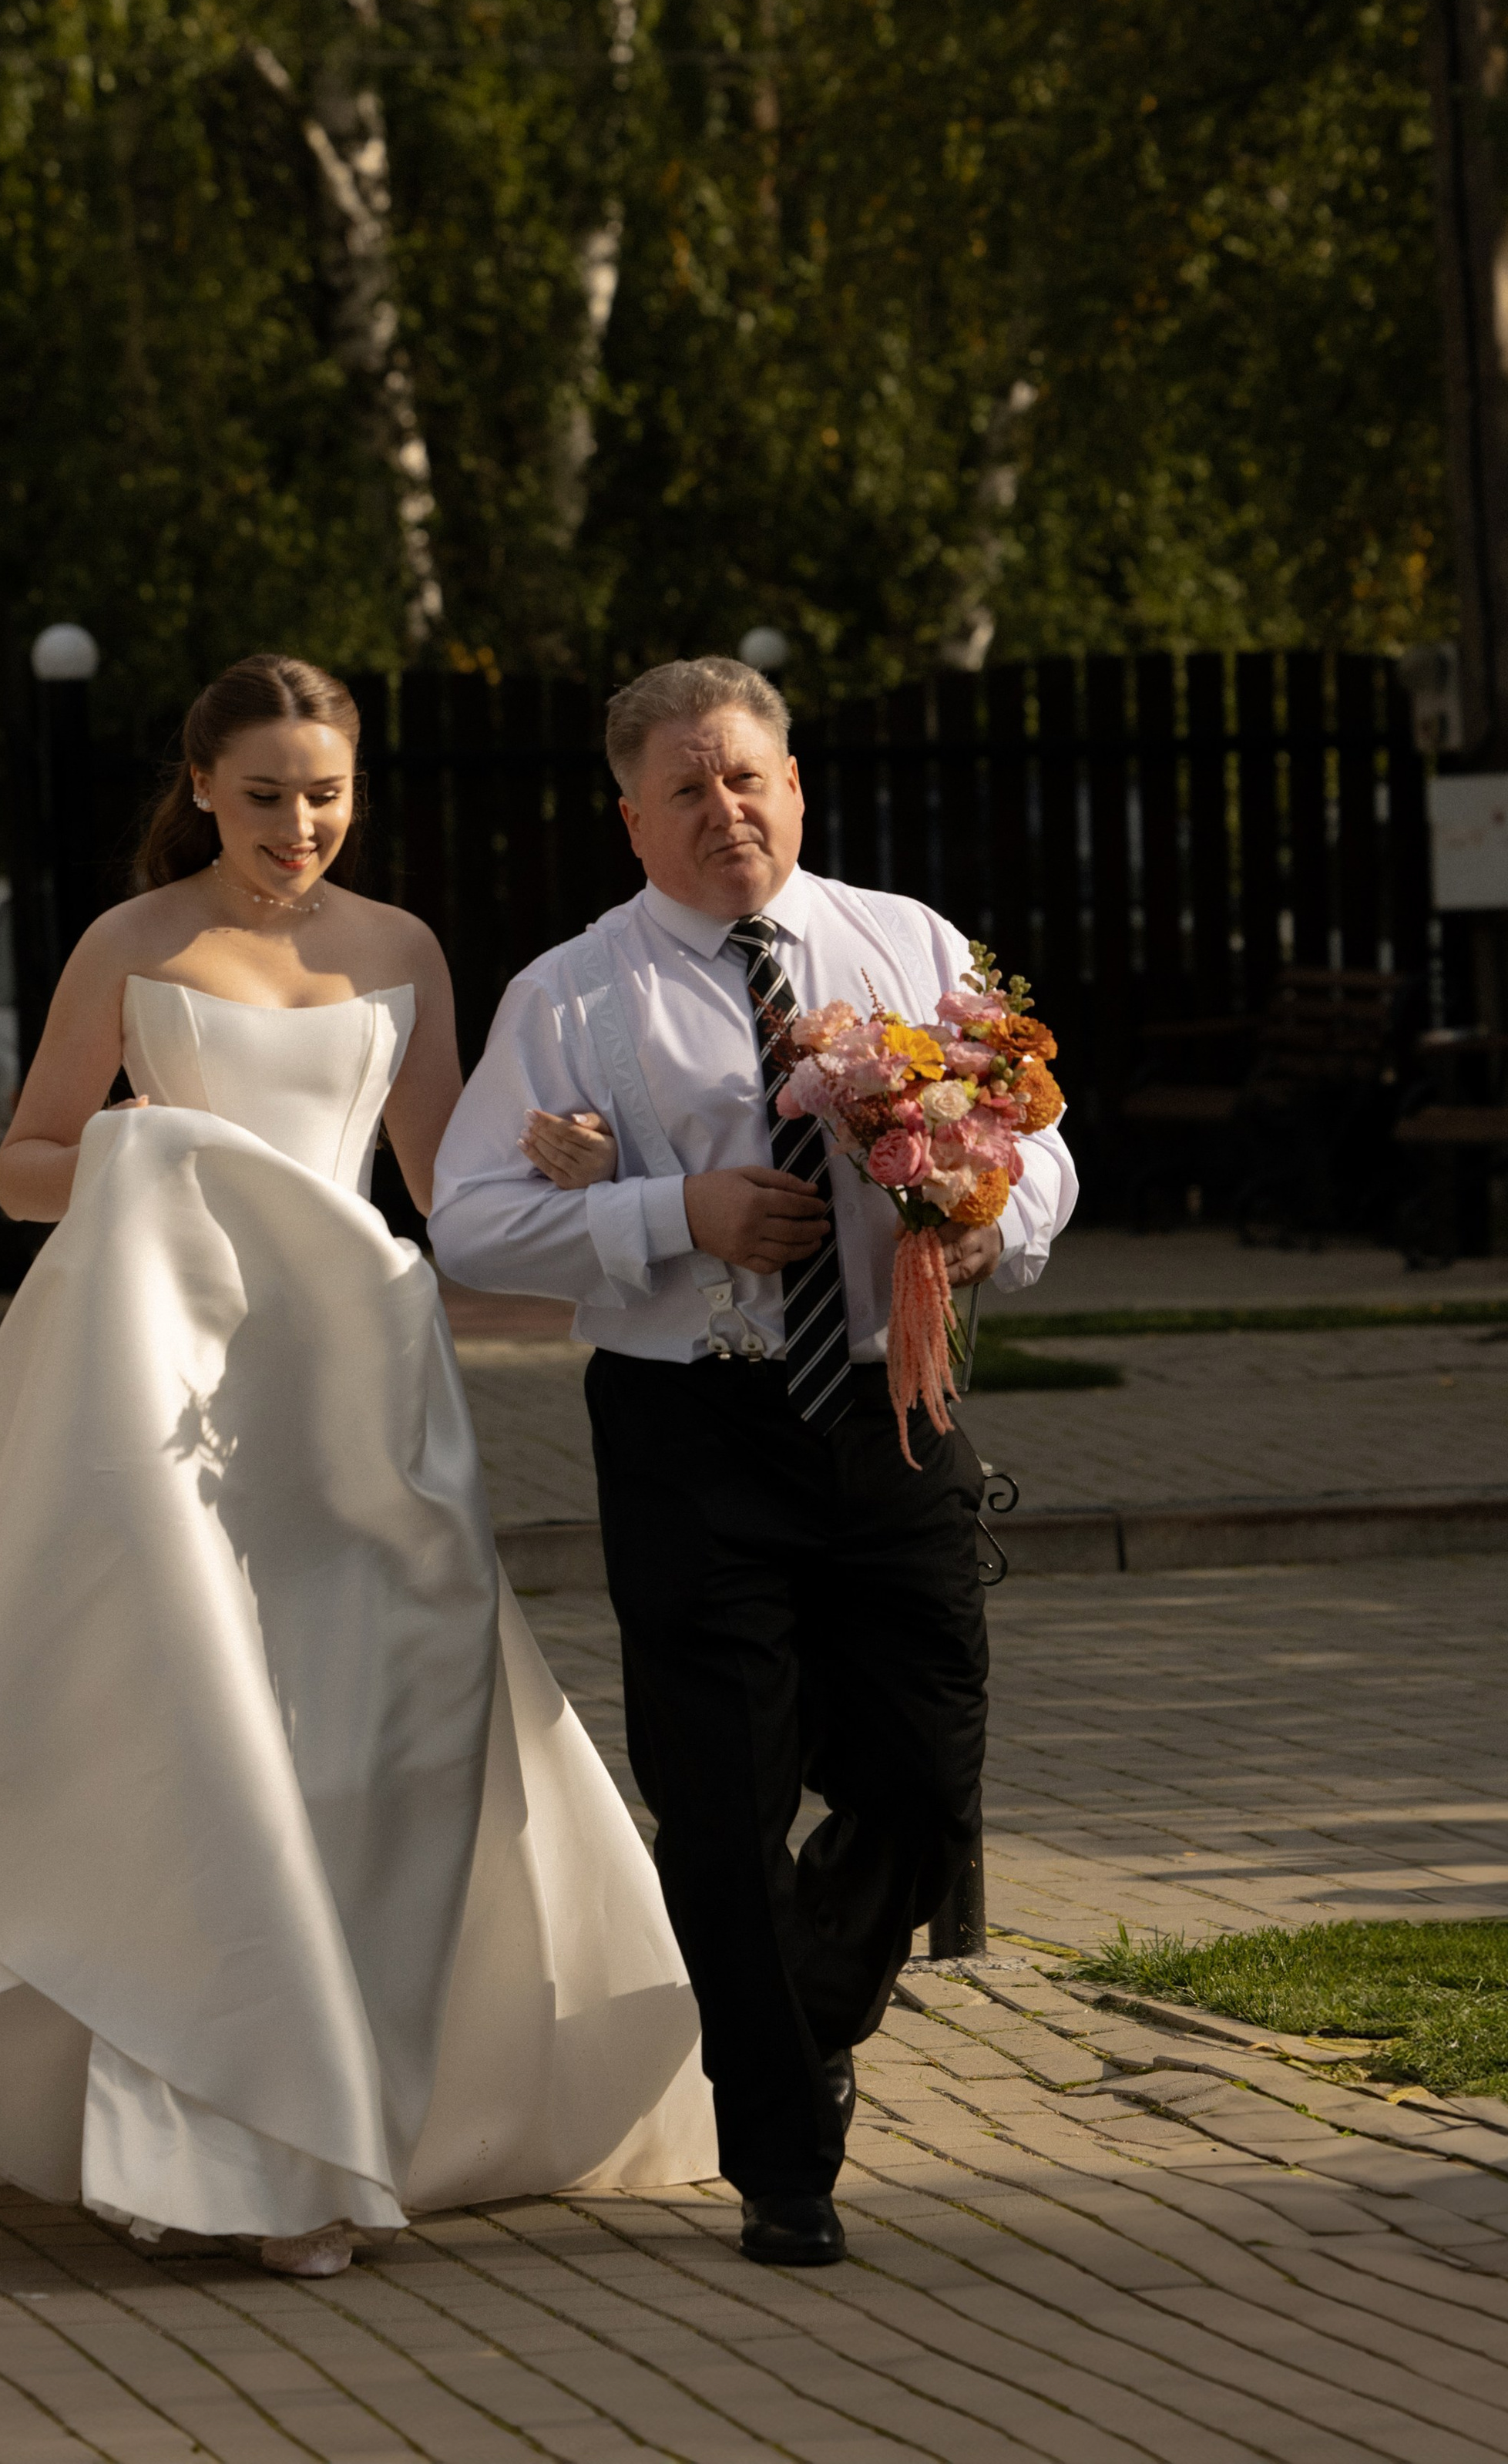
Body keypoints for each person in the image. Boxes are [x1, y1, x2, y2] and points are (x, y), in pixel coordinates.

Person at [0, 654, 714, 2274]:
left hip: (359, 1384)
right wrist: (146, 1145)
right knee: (191, 1729)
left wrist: (568, 1165)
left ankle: (353, 2103)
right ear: (200, 789)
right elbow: (23, 1168)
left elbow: (446, 1193)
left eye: (324, 796)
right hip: (170, 1384)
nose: (295, 827)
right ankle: (224, 2134)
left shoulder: (404, 950)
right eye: (261, 798)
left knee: (387, 1726)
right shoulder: (132, 940)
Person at [429, 656, 1076, 2268]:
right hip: (690, 1429)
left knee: (925, 1780)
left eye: (747, 778)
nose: (724, 809)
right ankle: (781, 2162)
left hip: (889, 1410)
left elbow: (1040, 1135)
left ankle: (795, 2014)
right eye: (685, 788)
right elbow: (467, 1220)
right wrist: (671, 1213)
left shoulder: (910, 943)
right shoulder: (567, 995)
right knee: (718, 1810)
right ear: (629, 813)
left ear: (791, 787)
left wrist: (996, 1215)